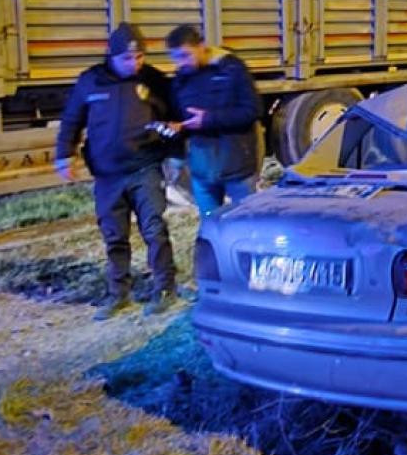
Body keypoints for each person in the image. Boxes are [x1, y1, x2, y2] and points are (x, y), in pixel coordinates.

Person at [54, 23, 178, 319]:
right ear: (112, 55)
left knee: (154, 229)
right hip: (108, 176)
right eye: (127, 59)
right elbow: (72, 120)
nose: (134, 64)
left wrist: (174, 156)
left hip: (144, 169)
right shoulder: (91, 82)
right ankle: (118, 293)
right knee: (114, 236)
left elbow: (174, 122)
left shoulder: (155, 81)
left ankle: (164, 288)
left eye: (139, 58)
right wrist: (64, 155)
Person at [163, 24, 260, 216]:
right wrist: (176, 127)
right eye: (175, 58)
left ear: (201, 46)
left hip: (237, 169)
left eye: (185, 55)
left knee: (246, 226)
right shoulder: (181, 80)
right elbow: (179, 117)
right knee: (210, 229)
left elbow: (253, 110)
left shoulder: (231, 68)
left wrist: (209, 119)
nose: (181, 63)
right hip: (202, 172)